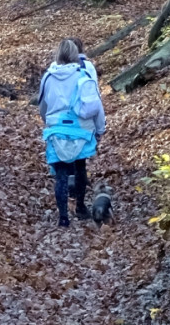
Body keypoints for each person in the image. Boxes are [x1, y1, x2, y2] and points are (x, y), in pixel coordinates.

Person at [38, 39, 106, 226]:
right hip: (80, 130)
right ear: (76, 55)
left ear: (57, 54)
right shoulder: (83, 76)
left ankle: (63, 218)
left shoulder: (48, 77)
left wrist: (49, 123)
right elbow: (96, 106)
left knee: (60, 175)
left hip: (56, 130)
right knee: (80, 168)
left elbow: (42, 106)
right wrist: (100, 130)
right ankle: (81, 207)